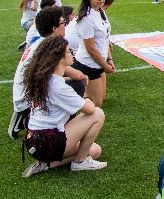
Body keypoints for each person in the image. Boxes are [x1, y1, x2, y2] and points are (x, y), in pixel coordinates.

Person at [21, 35, 107, 178]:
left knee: (95, 151)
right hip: (47, 141)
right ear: (60, 58)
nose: (72, 52)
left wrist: (75, 80)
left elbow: (60, 83)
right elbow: (90, 109)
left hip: (36, 140)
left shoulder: (46, 78)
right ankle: (80, 162)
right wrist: (85, 95)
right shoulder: (58, 86)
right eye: (68, 51)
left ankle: (47, 164)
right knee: (97, 113)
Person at [9, 6, 89, 139]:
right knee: (77, 85)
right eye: (63, 23)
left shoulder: (41, 43)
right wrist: (82, 77)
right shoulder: (50, 48)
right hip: (28, 98)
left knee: (66, 83)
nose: (66, 25)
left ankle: (26, 115)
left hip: (25, 93)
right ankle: (58, 127)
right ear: (54, 28)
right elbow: (72, 73)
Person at [73, 0, 114, 107]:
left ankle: (77, 98)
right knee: (95, 104)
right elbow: (91, 49)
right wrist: (105, 66)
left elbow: (105, 38)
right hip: (88, 64)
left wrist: (109, 59)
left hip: (99, 61)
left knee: (100, 98)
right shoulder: (86, 18)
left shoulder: (100, 11)